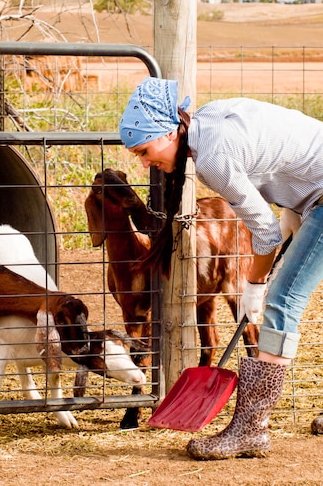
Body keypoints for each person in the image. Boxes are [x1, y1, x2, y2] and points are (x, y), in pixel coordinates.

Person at [119, 76, 323, 460]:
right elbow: (279, 155)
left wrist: (255, 285)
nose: (146, 163)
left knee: (283, 303)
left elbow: (263, 234)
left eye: (145, 151)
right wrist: (295, 213)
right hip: (313, 194)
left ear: (168, 131)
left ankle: (250, 430)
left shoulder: (211, 159)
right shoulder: (206, 121)